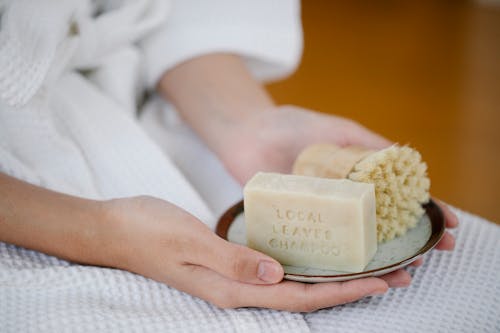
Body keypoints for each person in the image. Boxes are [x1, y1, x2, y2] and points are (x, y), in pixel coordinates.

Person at [0, 0, 456, 312]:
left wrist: (245, 125)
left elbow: (185, 9)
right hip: (25, 211)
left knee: (452, 279)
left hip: (144, 100)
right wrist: (101, 233)